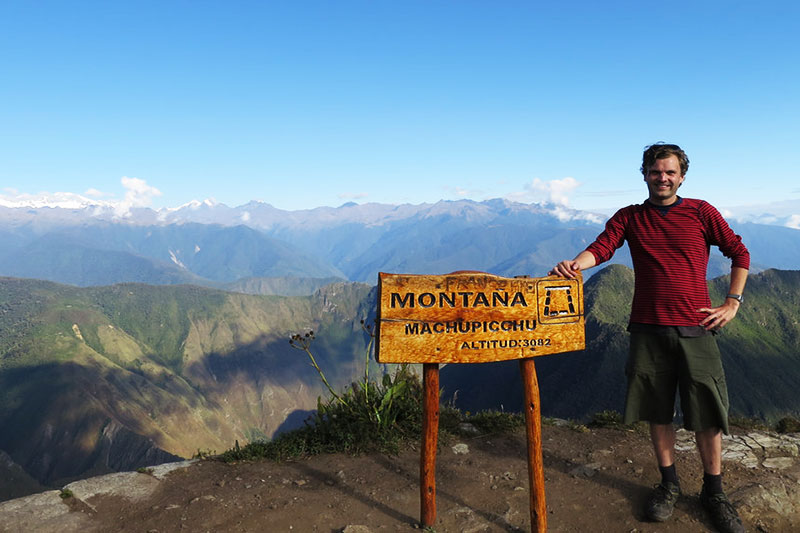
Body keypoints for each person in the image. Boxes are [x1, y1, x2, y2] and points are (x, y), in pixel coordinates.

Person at [551, 143, 749, 533]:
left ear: (682, 176)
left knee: (707, 413)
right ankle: (669, 484)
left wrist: (732, 302)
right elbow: (602, 248)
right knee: (657, 412)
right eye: (656, 171)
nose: (663, 178)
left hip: (697, 326)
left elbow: (739, 253)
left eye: (670, 172)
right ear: (644, 174)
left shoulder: (701, 212)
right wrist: (575, 265)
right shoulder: (630, 217)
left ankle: (714, 492)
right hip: (647, 327)